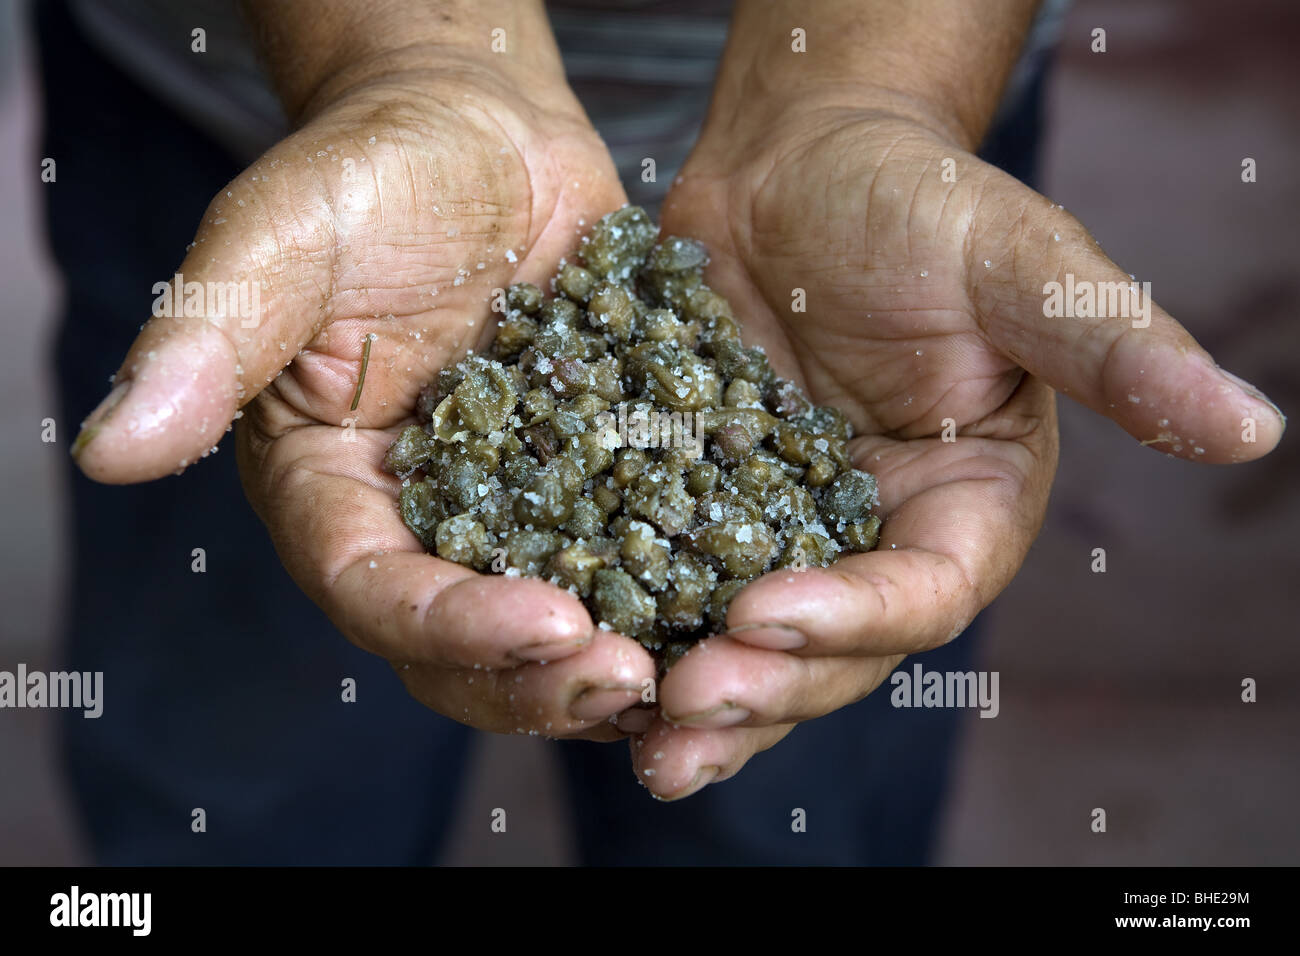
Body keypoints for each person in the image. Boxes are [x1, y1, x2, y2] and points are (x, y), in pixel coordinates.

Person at [39, 0, 1282, 865]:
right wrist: (398, 63)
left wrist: (871, 91)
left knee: (785, 797)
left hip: (897, 147)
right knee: (242, 775)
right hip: (278, 135)